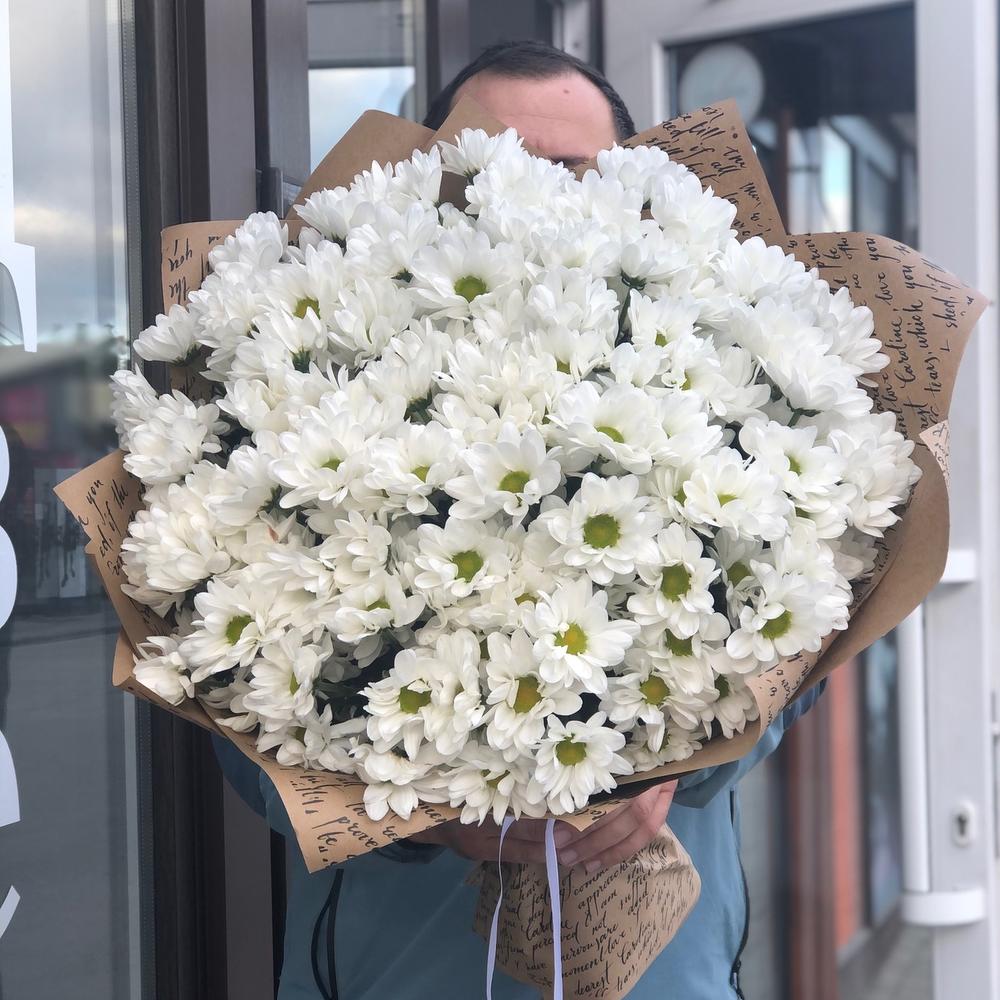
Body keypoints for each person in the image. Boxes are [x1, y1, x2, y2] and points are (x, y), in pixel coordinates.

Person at [215, 39, 825, 1000]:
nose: (526, 192)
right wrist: (419, 815)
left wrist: (678, 768)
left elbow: (801, 649)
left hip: (660, 975)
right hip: (394, 976)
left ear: (628, 188)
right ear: (430, 178)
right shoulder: (306, 376)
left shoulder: (722, 355)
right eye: (492, 163)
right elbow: (239, 727)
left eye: (568, 169)